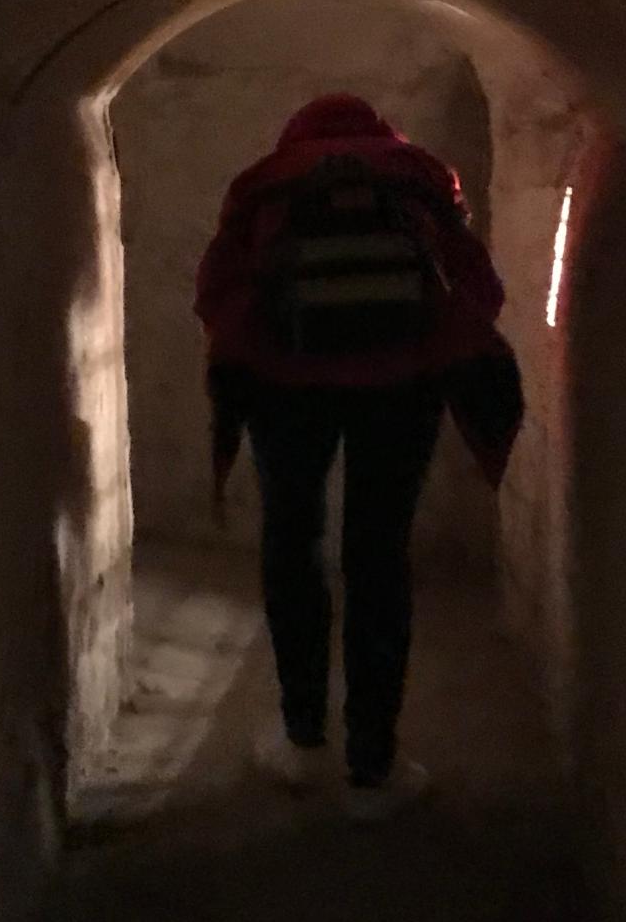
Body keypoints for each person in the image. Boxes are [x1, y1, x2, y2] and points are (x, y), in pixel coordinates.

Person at [196, 93, 523, 821]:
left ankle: (302, 739)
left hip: (285, 387)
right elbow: (480, 288)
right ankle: (374, 768)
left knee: (292, 544)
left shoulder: (265, 181)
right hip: (400, 388)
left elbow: (217, 293)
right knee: (379, 556)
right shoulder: (420, 176)